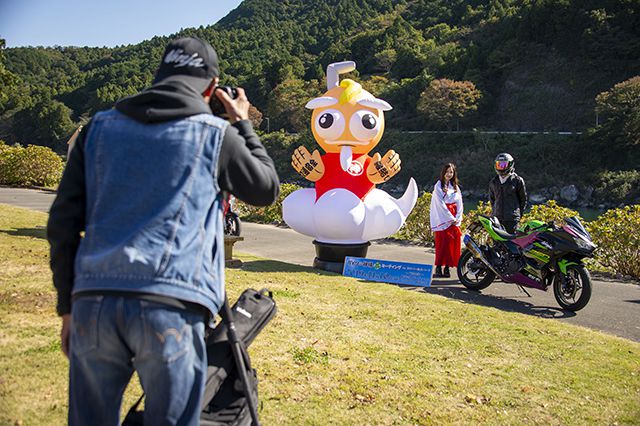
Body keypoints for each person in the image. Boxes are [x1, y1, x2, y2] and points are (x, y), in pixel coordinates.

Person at [47, 37, 279, 426]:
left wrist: (69, 308)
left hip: (95, 301)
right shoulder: (215, 136)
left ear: (159, 77)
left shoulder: (97, 129)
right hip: (173, 303)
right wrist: (240, 122)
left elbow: (62, 223)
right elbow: (265, 188)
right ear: (211, 88)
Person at [430, 163, 463, 278]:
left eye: (451, 172)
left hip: (453, 217)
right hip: (443, 217)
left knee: (451, 243)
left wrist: (458, 217)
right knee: (442, 243)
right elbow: (440, 203)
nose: (449, 174)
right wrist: (450, 218)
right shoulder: (438, 185)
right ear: (443, 173)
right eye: (447, 172)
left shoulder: (455, 187)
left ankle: (448, 267)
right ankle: (438, 266)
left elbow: (460, 203)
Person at [489, 152, 527, 234]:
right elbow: (492, 200)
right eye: (499, 165)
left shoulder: (517, 180)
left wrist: (518, 215)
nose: (501, 167)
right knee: (497, 244)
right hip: (497, 218)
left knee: (511, 243)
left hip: (512, 219)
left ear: (510, 164)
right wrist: (495, 212)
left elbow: (523, 200)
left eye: (503, 165)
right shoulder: (494, 181)